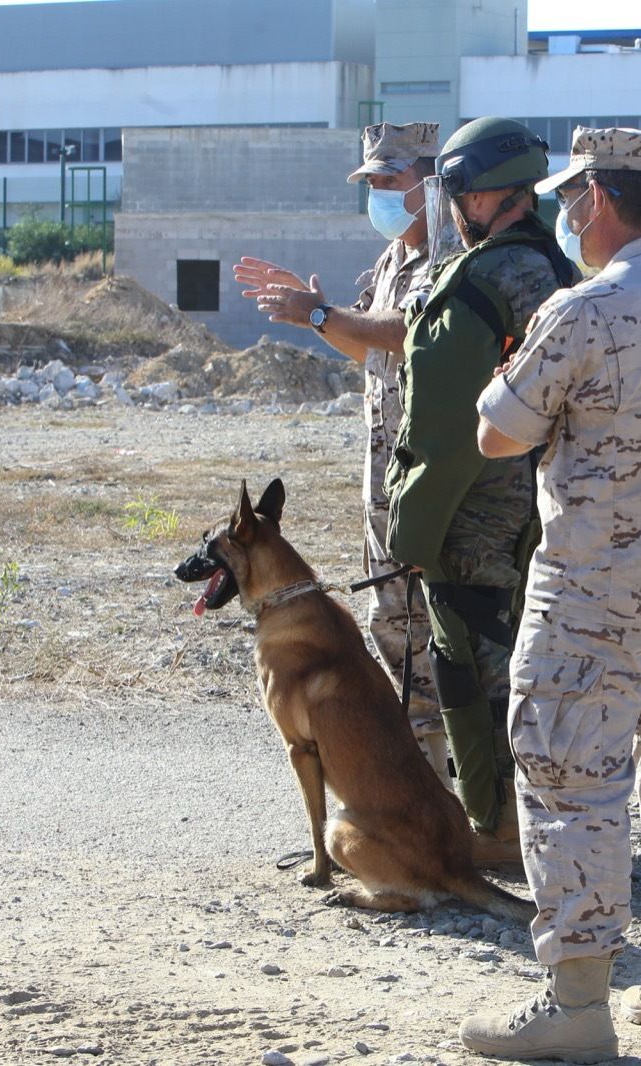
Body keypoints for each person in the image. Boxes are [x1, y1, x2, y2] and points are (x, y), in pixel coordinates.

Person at [460, 126, 641, 1062]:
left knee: (569, 783)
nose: (566, 215)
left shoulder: (586, 312)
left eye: (572, 199)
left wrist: (509, 376)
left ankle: (577, 1003)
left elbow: (498, 434)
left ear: (600, 203)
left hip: (592, 596)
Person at [384, 117, 576, 864]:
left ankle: (495, 831)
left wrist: (410, 541)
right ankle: (550, 821)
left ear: (472, 195)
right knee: (539, 674)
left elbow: (440, 436)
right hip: (548, 521)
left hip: (475, 529)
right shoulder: (559, 276)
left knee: (469, 670)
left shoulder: (473, 283)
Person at [232, 122, 447, 776]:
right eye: (372, 182)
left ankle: (463, 805)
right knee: (397, 636)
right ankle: (426, 793)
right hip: (385, 485)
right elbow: (368, 345)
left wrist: (321, 315)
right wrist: (320, 313)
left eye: (391, 179)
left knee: (441, 642)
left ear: (430, 181)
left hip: (432, 484)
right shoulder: (391, 262)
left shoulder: (451, 253)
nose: (380, 193)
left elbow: (408, 329)